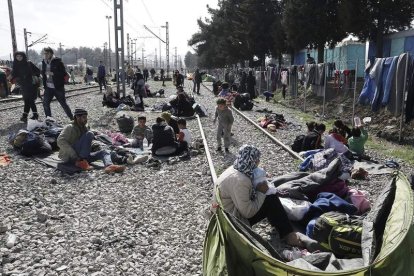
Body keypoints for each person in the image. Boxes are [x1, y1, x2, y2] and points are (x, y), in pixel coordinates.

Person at [217, 145, 302, 246]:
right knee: (270, 198)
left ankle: (279, 225)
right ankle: (288, 234)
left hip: (226, 214)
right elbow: (247, 213)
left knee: (269, 196)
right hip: (232, 222)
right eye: (257, 160)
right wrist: (262, 192)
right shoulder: (240, 181)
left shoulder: (237, 168)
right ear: (251, 161)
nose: (258, 162)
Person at [57, 108, 125, 173]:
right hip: (72, 157)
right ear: (77, 117)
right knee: (90, 134)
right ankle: (81, 162)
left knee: (104, 152)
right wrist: (74, 155)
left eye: (86, 117)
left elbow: (85, 144)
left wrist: (95, 146)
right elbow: (60, 141)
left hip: (84, 156)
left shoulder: (84, 127)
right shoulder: (69, 127)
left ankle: (109, 166)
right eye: (84, 117)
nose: (86, 119)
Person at [41, 47, 74, 120]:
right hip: (48, 88)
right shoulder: (44, 62)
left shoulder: (58, 61)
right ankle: (49, 120)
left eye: (47, 53)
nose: (45, 55)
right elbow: (43, 73)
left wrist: (53, 73)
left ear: (51, 53)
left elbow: (63, 73)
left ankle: (72, 119)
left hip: (58, 87)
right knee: (45, 104)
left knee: (63, 104)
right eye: (44, 53)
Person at [10, 51, 41, 122]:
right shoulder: (15, 65)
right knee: (28, 100)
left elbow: (38, 71)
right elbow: (14, 74)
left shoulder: (28, 63)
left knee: (28, 100)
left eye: (20, 56)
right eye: (17, 56)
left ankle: (25, 116)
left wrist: (30, 75)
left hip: (31, 84)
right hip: (23, 85)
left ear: (23, 57)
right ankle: (33, 115)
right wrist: (11, 77)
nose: (19, 58)